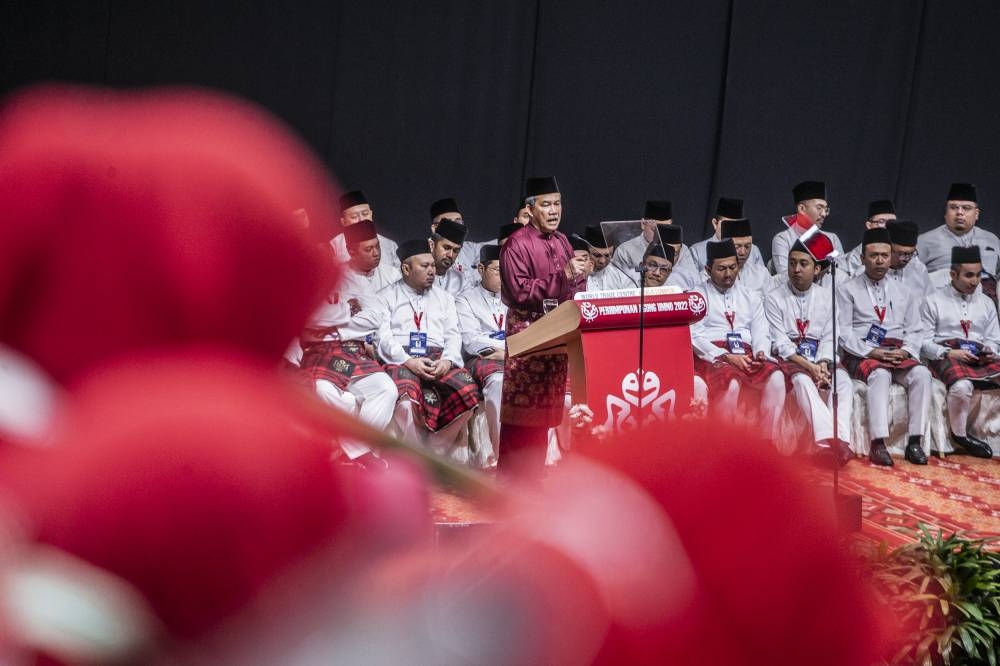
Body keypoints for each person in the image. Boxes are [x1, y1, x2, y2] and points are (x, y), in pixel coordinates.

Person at [498, 176, 588, 479]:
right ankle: (510, 489)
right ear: (530, 209)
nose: (554, 211)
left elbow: (574, 283)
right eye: (546, 204)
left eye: (558, 204)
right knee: (520, 420)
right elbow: (521, 291)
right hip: (528, 336)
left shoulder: (563, 241)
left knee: (544, 419)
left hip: (558, 334)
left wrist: (578, 281)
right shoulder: (516, 244)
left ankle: (533, 483)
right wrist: (563, 277)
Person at [366, 240, 480, 460]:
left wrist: (447, 361)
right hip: (400, 358)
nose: (432, 271)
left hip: (438, 358)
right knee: (406, 397)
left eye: (432, 266)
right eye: (424, 266)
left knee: (469, 392)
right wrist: (409, 361)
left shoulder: (445, 299)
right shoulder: (385, 297)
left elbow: (453, 335)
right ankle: (415, 453)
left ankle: (435, 451)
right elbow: (383, 338)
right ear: (406, 268)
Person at [299, 219, 399, 470]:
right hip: (319, 353)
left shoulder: (350, 277)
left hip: (352, 352)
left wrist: (331, 328)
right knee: (323, 391)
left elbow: (375, 318)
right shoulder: (305, 283)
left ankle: (353, 452)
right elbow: (307, 319)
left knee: (386, 389)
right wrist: (347, 311)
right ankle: (361, 454)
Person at [838, 227, 931, 466]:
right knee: (879, 374)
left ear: (890, 257)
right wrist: (871, 352)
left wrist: (907, 351)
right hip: (862, 352)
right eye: (873, 256)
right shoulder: (847, 289)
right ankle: (878, 443)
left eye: (885, 255)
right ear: (862, 258)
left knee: (921, 373)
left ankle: (915, 442)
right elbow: (843, 332)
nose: (880, 261)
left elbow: (915, 329)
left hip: (897, 350)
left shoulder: (904, 291)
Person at [765, 241, 854, 465]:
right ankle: (827, 442)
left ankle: (842, 440)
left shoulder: (827, 296)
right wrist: (809, 366)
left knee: (843, 381)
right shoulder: (774, 297)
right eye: (792, 263)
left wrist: (822, 363)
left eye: (803, 264)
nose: (796, 269)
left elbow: (830, 335)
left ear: (817, 269)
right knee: (803, 381)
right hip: (791, 358)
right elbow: (780, 342)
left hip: (820, 356)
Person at [690, 239, 785, 441]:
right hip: (713, 355)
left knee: (776, 378)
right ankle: (723, 443)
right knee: (731, 382)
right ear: (708, 269)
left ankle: (767, 442)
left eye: (733, 267)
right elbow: (694, 336)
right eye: (721, 269)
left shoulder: (750, 295)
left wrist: (761, 352)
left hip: (747, 352)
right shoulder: (696, 296)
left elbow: (761, 330)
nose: (728, 274)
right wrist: (726, 356)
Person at [919, 245, 998, 458]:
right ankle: (960, 435)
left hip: (978, 356)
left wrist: (990, 351)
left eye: (979, 274)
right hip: (947, 355)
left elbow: (993, 338)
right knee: (962, 386)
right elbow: (923, 342)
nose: (975, 281)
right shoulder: (933, 301)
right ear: (953, 274)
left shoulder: (987, 303)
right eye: (969, 275)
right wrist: (947, 353)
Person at [455, 245, 508, 465]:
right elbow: (471, 340)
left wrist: (506, 350)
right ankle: (501, 456)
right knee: (499, 382)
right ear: (480, 269)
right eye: (497, 270)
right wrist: (510, 347)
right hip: (482, 360)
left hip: (512, 354)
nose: (504, 276)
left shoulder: (516, 295)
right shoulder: (465, 299)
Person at [918, 183, 1000, 276]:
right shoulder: (925, 241)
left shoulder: (992, 240)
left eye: (966, 208)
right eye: (953, 208)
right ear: (945, 212)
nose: (959, 212)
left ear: (976, 214)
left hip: (987, 289)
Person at [773, 181, 844, 274]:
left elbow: (841, 273)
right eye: (819, 208)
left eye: (826, 209)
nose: (824, 214)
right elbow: (785, 275)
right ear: (802, 209)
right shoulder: (783, 239)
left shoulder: (832, 238)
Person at [330, 189, 400, 269]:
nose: (361, 219)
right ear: (343, 222)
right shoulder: (334, 246)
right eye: (354, 217)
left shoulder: (390, 245)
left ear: (371, 214)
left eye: (365, 214)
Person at [690, 197, 765, 268]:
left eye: (736, 226)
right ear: (715, 223)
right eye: (727, 225)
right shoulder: (697, 252)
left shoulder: (753, 251)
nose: (732, 230)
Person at [430, 197, 482, 289]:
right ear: (434, 228)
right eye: (449, 222)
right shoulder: (419, 255)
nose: (456, 226)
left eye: (458, 222)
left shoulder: (468, 248)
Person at [842, 199, 897, 276]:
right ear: (869, 225)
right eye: (881, 222)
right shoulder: (857, 255)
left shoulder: (903, 251)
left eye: (892, 222)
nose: (888, 226)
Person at [719, 218, 770, 293]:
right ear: (724, 245)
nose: (743, 252)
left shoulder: (761, 274)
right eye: (737, 247)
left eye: (747, 246)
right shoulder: (710, 277)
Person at [884, 219, 930, 298]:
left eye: (911, 253)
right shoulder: (874, 270)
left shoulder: (919, 269)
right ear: (888, 248)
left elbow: (930, 299)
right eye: (902, 254)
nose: (906, 259)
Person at [584, 225, 634, 291]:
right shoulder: (576, 273)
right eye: (597, 255)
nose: (603, 261)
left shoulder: (619, 272)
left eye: (607, 255)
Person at [428, 217, 470, 296]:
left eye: (456, 251)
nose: (450, 255)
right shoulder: (413, 275)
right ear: (432, 245)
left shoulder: (461, 281)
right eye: (446, 248)